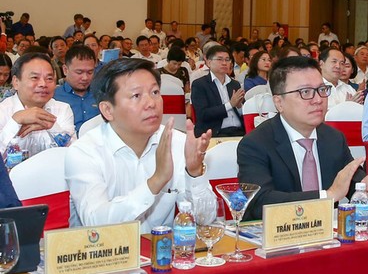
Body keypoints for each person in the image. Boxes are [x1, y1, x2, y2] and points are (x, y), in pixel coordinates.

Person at [66, 58, 215, 232]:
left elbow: (206, 219)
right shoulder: (84, 152)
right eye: (136, 96)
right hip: (106, 249)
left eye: (155, 92)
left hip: (160, 247)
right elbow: (96, 223)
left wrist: (194, 173)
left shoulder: (177, 142)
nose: (151, 103)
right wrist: (156, 181)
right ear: (108, 110)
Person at [237, 56, 368, 219]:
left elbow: (352, 181)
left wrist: (367, 188)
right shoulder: (255, 143)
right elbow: (259, 203)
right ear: (279, 102)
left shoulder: (334, 138)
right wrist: (327, 196)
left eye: (322, 90)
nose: (318, 100)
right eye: (305, 92)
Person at [0, 53, 75, 153]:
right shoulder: (3, 110)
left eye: (49, 78)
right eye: (35, 77)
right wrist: (15, 122)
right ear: (16, 82)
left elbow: (73, 152)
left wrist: (53, 128)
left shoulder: (63, 109)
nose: (43, 84)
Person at [191, 45, 245, 137]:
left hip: (239, 131)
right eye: (220, 59)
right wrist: (230, 104)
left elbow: (243, 114)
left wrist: (239, 106)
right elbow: (203, 114)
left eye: (227, 60)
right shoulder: (200, 84)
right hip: (216, 132)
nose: (224, 63)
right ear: (209, 62)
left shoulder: (235, 84)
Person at [54, 46, 101, 134]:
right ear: (65, 70)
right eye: (79, 72)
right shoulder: (54, 97)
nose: (85, 78)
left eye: (90, 72)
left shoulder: (101, 94)